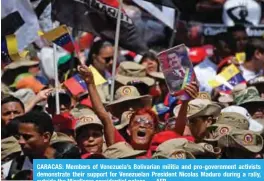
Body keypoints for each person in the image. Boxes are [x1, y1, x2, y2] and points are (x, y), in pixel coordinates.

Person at [78, 64, 199, 158]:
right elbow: (104, 116)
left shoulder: (160, 147)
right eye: (137, 123)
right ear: (128, 130)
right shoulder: (119, 145)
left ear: (155, 132)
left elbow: (177, 131)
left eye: (148, 124)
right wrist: (90, 83)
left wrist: (185, 102)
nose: (142, 125)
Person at [2, 111, 56, 179]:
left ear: (46, 137)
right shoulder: (9, 169)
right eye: (19, 136)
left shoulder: (67, 168)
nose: (20, 141)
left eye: (27, 137)